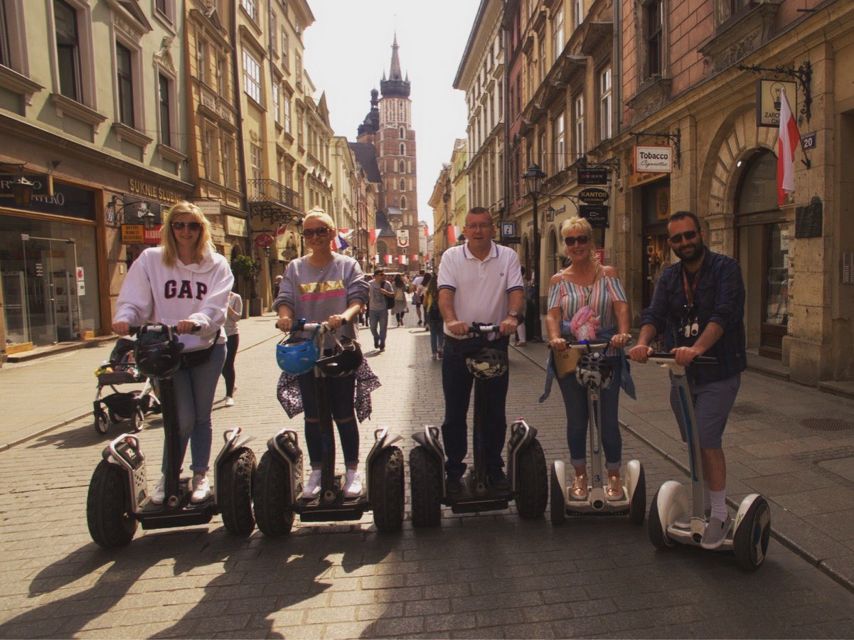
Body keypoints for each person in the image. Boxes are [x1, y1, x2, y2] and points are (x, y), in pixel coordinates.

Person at [628, 210, 746, 549]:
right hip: (681, 375)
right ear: (671, 242)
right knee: (692, 442)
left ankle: (720, 512)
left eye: (689, 235)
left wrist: (696, 348)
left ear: (701, 233)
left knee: (707, 439)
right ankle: (704, 502)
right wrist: (642, 342)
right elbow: (655, 314)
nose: (684, 242)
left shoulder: (726, 269)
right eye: (677, 238)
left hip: (718, 369)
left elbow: (725, 314)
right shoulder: (669, 277)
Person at [112, 201, 233, 504]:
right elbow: (135, 297)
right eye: (179, 225)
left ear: (201, 229)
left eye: (192, 225)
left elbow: (216, 306)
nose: (185, 231)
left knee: (201, 416)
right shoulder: (151, 259)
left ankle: (200, 474)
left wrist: (197, 322)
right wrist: (126, 317)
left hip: (207, 347)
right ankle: (168, 475)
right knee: (181, 418)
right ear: (170, 228)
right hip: (165, 351)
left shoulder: (216, 264)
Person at [274, 208, 369, 499]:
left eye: (322, 231)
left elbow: (358, 297)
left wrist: (345, 315)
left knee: (343, 412)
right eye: (309, 232)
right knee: (313, 416)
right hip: (305, 350)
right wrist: (285, 317)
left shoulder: (347, 265)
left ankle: (352, 470)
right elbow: (286, 299)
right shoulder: (294, 268)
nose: (315, 237)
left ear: (332, 234)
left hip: (339, 347)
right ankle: (317, 470)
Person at [437, 207, 525, 493]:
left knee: (494, 411)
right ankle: (454, 469)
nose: (478, 231)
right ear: (465, 229)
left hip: (493, 341)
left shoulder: (508, 256)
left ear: (493, 229)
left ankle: (492, 467)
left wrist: (512, 317)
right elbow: (445, 293)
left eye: (484, 226)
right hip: (458, 343)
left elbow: (516, 291)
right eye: (472, 226)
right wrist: (451, 320)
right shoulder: (451, 257)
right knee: (455, 411)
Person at [545, 217, 632, 502]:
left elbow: (621, 306)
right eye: (570, 240)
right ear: (565, 246)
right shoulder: (558, 280)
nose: (576, 245)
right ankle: (580, 474)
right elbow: (553, 314)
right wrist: (556, 337)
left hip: (606, 352)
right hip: (570, 355)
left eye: (582, 238)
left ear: (591, 241)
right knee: (577, 419)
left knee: (608, 419)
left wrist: (622, 333)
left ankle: (614, 475)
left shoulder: (608, 274)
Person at [221, 289, 242, 407]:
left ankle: (229, 395)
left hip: (231, 334)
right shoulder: (215, 295)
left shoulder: (236, 297)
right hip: (217, 336)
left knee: (228, 363)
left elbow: (237, 317)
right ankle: (232, 384)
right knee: (219, 365)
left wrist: (227, 306)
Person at [367, 269, 394, 351]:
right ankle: (376, 337)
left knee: (383, 328)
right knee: (372, 328)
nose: (383, 276)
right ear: (375, 276)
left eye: (384, 274)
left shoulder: (386, 284)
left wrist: (386, 292)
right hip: (372, 310)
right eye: (381, 274)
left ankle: (382, 343)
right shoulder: (369, 284)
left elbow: (393, 295)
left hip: (383, 310)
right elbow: (365, 295)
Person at [422, 273, 444, 360]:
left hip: (431, 313)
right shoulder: (441, 290)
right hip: (440, 313)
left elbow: (424, 304)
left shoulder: (427, 291)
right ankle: (440, 348)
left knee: (433, 334)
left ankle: (434, 353)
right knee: (441, 333)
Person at [514, 266, 528, 347]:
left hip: (520, 302)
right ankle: (520, 339)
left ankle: (522, 340)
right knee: (519, 320)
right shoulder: (523, 280)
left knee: (519, 320)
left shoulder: (520, 281)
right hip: (522, 301)